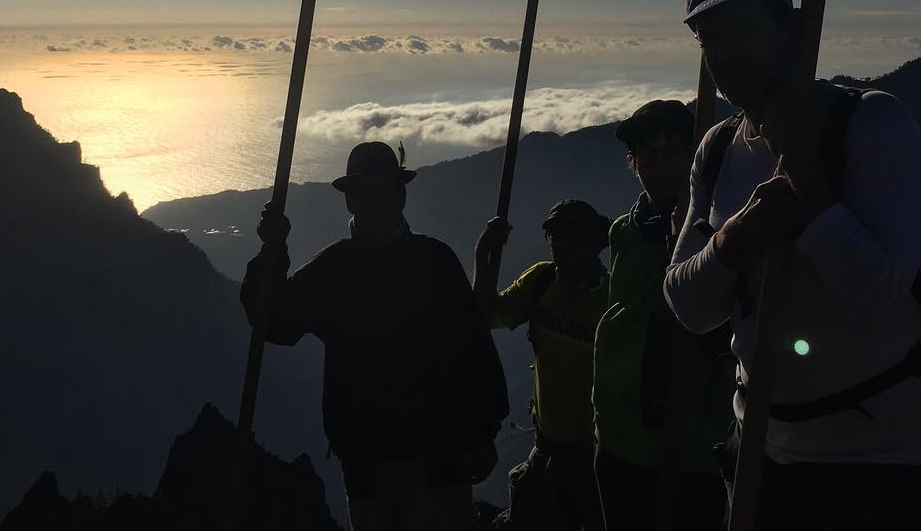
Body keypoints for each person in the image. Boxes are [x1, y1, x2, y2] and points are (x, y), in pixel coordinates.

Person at [663, 0, 921, 531]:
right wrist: (741, 233)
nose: (724, 54)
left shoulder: (871, 124)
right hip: (761, 450)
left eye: (742, 30)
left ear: (790, 30)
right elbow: (687, 306)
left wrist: (809, 180)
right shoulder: (718, 149)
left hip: (880, 462)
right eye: (709, 39)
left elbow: (885, 304)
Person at [241, 141, 509, 531]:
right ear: (351, 200)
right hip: (370, 462)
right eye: (366, 191)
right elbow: (273, 320)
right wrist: (272, 250)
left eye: (384, 189)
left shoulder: (434, 262)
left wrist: (486, 431)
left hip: (439, 457)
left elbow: (473, 349)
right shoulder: (335, 270)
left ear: (400, 195)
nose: (377, 200)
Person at [593, 100, 732, 530]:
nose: (663, 164)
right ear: (633, 164)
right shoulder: (624, 232)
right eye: (650, 154)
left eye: (676, 152)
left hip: (699, 445)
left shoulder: (722, 232)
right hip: (620, 433)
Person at [473, 199, 610, 530]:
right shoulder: (541, 282)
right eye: (555, 236)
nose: (560, 244)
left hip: (593, 455)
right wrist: (484, 257)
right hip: (547, 447)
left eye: (571, 235)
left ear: (595, 242)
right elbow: (484, 316)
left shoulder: (612, 297)